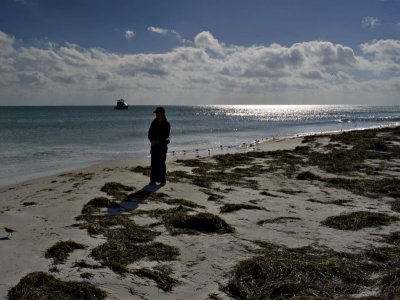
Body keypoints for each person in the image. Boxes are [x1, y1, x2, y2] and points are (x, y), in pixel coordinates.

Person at [148, 106, 170, 186]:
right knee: (153, 163)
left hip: (162, 146)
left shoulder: (166, 124)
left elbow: (166, 135)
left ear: (162, 113)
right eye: (156, 113)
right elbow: (149, 133)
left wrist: (158, 141)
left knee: (161, 163)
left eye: (157, 113)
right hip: (154, 146)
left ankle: (162, 180)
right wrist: (152, 140)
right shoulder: (154, 122)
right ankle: (152, 180)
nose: (156, 115)